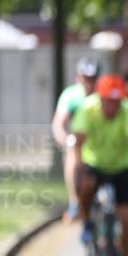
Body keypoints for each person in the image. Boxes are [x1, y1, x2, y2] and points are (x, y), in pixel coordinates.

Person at [72, 75, 128, 256]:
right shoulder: (88, 109)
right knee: (86, 186)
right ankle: (86, 223)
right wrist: (78, 166)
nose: (112, 107)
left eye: (117, 102)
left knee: (127, 220)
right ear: (100, 98)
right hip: (94, 162)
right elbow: (78, 140)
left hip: (122, 166)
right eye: (108, 101)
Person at [51, 57, 100, 221]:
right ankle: (74, 201)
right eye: (85, 78)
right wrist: (66, 140)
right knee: (72, 157)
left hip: (101, 144)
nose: (89, 83)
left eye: (92, 79)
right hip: (80, 143)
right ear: (78, 78)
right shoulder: (71, 96)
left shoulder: (102, 95)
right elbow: (58, 123)